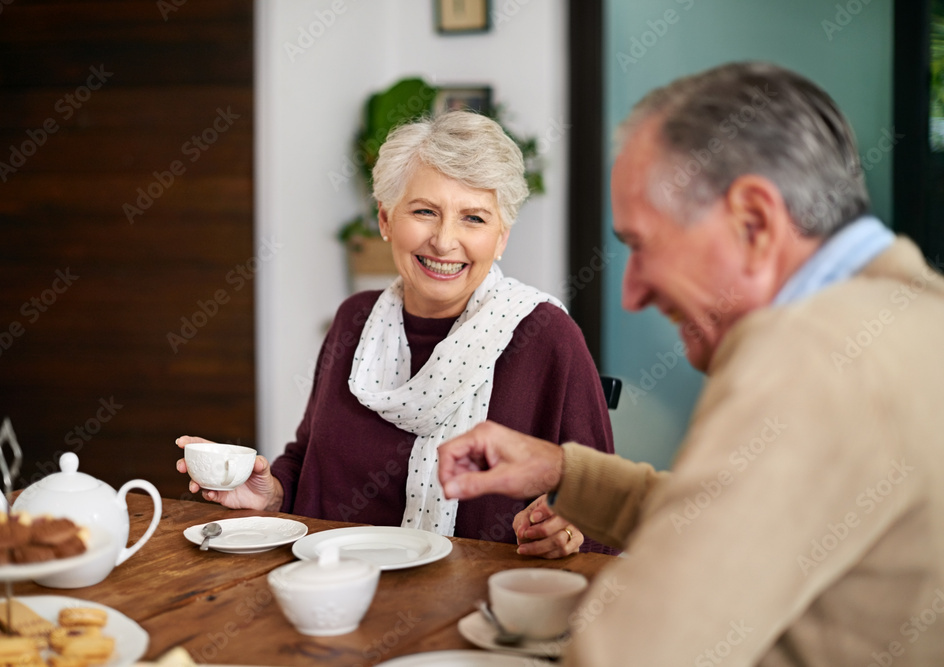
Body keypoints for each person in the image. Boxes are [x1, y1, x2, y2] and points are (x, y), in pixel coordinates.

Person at [437, 62, 944, 665]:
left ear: (754, 222)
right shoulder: (911, 316)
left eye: (642, 245)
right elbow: (743, 527)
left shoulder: (811, 354)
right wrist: (565, 472)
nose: (631, 293)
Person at [177, 111, 615, 557]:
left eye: (474, 219)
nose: (445, 241)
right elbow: (309, 460)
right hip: (332, 591)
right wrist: (268, 495)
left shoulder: (546, 337)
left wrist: (567, 528)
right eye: (425, 211)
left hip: (480, 614)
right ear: (385, 219)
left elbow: (600, 510)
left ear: (501, 238)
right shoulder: (354, 321)